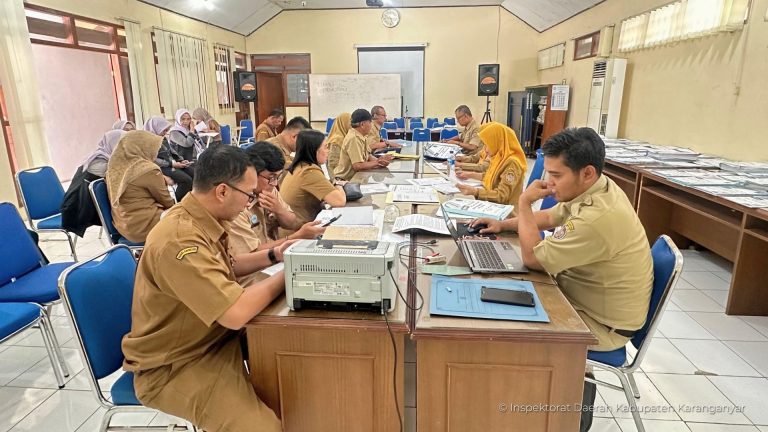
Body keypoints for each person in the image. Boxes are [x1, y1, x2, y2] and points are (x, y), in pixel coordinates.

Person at [122, 145, 286, 432]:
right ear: (222, 191)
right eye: (248, 195)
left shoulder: (202, 218)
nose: (250, 202)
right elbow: (234, 312)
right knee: (261, 428)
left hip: (213, 338)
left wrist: (277, 255)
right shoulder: (179, 240)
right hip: (176, 364)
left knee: (298, 351)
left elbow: (228, 267)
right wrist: (290, 274)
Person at [228, 143, 328, 285]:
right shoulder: (237, 203)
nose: (274, 183)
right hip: (253, 273)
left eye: (278, 177)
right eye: (271, 177)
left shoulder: (268, 188)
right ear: (250, 173)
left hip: (273, 263)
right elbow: (250, 255)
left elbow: (292, 223)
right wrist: (297, 237)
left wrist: (279, 210)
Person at [105, 130, 175, 243]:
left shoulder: (114, 168)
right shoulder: (148, 169)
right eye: (154, 148)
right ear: (143, 148)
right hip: (146, 226)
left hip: (124, 226)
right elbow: (167, 202)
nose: (156, 152)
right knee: (187, 221)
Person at [61, 129, 127, 237]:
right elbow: (121, 177)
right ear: (114, 144)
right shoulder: (100, 163)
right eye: (123, 144)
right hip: (77, 208)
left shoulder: (105, 156)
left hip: (89, 204)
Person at [281, 129, 347, 226]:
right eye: (325, 147)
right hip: (300, 231)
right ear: (314, 150)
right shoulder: (308, 172)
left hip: (300, 225)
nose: (327, 151)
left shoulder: (300, 166)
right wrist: (338, 184)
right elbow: (339, 201)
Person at [455, 122, 527, 207]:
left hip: (506, 213)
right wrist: (470, 174)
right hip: (494, 205)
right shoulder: (499, 156)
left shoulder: (512, 163)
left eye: (487, 145)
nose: (485, 150)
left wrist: (475, 191)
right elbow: (490, 176)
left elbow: (501, 195)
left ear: (497, 142)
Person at [333, 109, 393, 181]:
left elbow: (368, 156)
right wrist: (377, 162)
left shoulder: (362, 136)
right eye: (370, 122)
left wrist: (382, 161)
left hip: (357, 177)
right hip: (346, 181)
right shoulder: (354, 138)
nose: (371, 125)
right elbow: (357, 166)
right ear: (362, 124)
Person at [145, 116, 195, 201]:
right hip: (161, 167)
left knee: (194, 173)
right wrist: (172, 164)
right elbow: (153, 159)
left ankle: (190, 200)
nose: (165, 133)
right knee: (186, 180)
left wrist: (180, 160)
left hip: (171, 164)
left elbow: (171, 151)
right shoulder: (148, 142)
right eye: (163, 130)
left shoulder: (162, 138)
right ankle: (175, 203)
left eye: (166, 130)